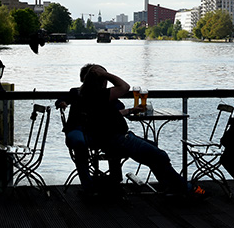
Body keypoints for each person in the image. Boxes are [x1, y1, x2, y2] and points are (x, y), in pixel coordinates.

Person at [78, 64, 207, 197]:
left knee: (154, 150)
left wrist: (130, 110)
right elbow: (125, 87)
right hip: (119, 140)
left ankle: (170, 186)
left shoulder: (87, 95)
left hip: (112, 139)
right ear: (101, 80)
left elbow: (107, 115)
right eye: (105, 78)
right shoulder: (99, 94)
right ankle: (186, 189)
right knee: (160, 156)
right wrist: (106, 74)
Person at [55, 64, 137, 193]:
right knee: (80, 142)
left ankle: (113, 181)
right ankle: (95, 184)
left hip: (98, 131)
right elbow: (62, 99)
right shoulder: (77, 92)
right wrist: (62, 103)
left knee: (112, 140)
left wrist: (128, 110)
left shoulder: (105, 95)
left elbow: (116, 111)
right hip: (79, 129)